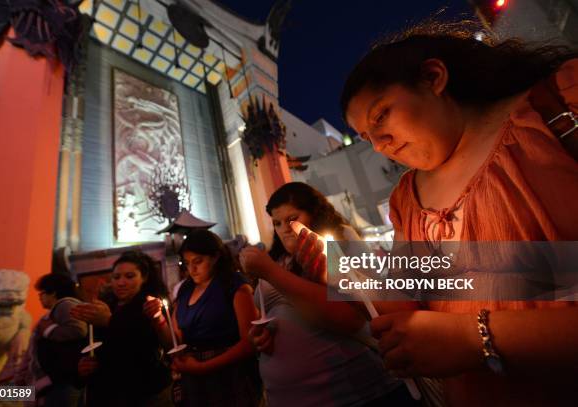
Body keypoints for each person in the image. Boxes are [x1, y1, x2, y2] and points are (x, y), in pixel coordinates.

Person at [322, 21, 578, 406]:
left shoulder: (560, 107)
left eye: (382, 116)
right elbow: (414, 303)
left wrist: (472, 338)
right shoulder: (406, 199)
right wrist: (351, 278)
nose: (379, 146)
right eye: (366, 138)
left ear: (432, 77)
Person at [239, 182, 417, 407]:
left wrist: (271, 273)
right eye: (277, 222)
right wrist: (261, 336)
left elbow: (356, 315)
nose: (284, 228)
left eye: (292, 219)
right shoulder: (278, 259)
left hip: (351, 388)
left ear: (313, 213)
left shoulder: (336, 241)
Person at [143, 229, 262, 407]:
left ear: (215, 257)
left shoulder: (234, 286)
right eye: (187, 263)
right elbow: (174, 342)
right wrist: (158, 318)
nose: (192, 269)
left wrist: (202, 367)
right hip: (193, 377)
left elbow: (250, 342)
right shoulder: (185, 290)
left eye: (198, 261)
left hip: (230, 375)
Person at [71, 251, 171, 407]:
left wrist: (110, 321)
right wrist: (86, 363)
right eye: (116, 277)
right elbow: (96, 344)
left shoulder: (150, 306)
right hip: (110, 394)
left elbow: (144, 350)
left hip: (146, 392)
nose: (121, 282)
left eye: (129, 276)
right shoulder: (107, 305)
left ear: (143, 278)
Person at [14, 273, 87, 407]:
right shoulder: (54, 312)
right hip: (49, 383)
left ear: (52, 292)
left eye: (41, 293)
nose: (39, 297)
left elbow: (78, 330)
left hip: (59, 383)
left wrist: (49, 329)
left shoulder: (65, 304)